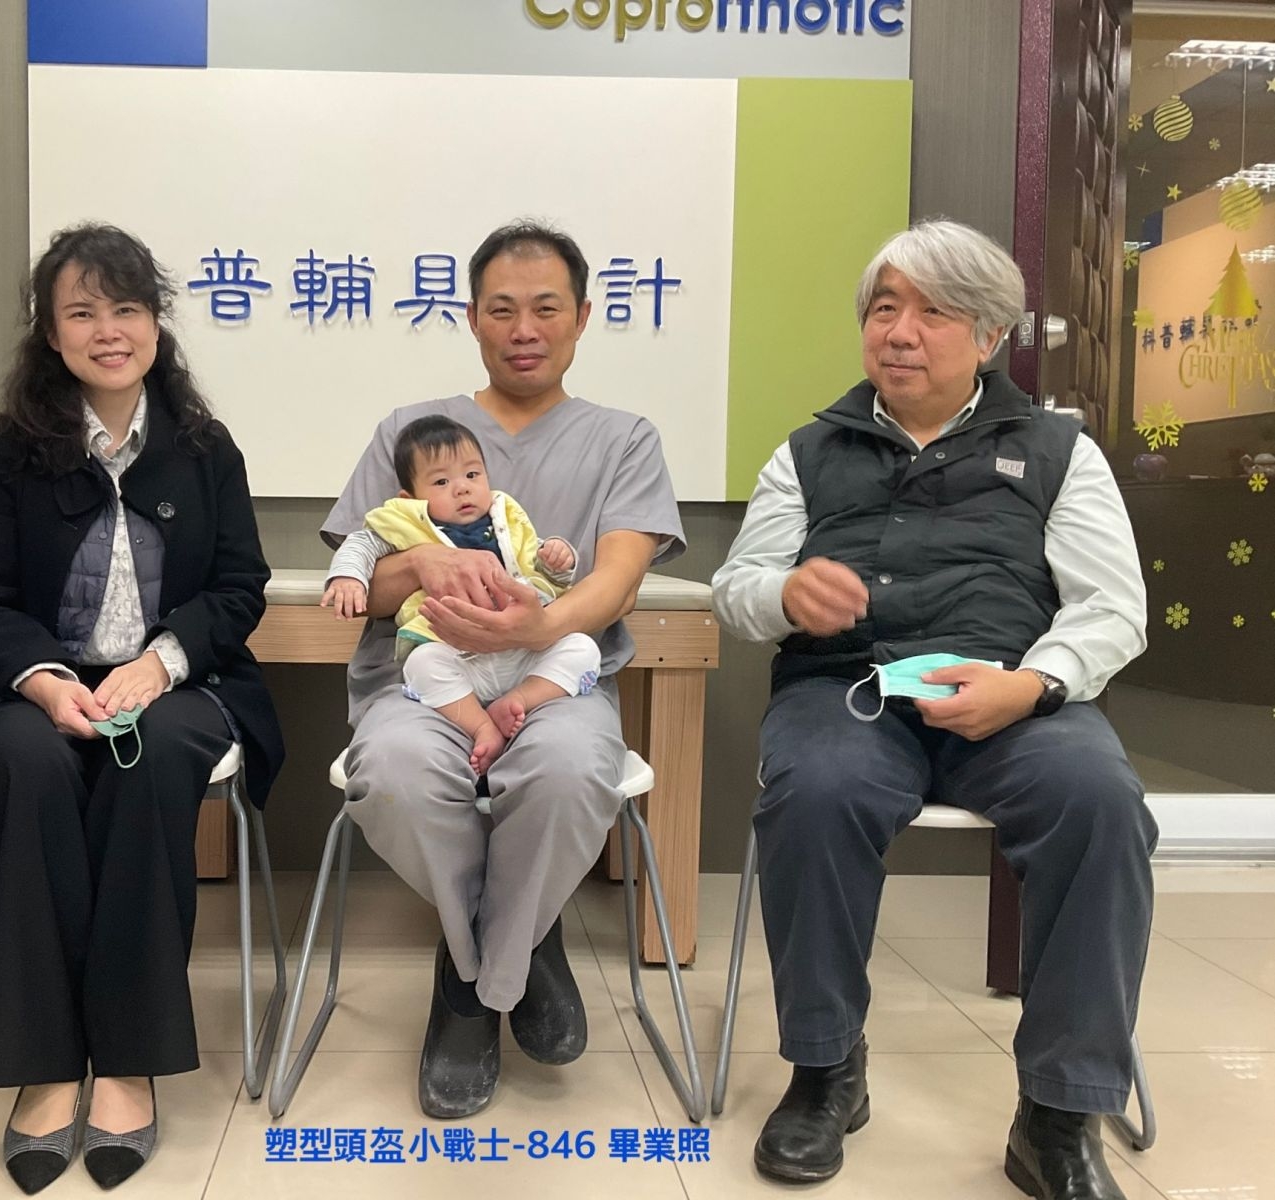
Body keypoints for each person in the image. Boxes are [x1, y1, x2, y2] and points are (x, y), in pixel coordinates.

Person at [711, 219, 1156, 1199]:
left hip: (1013, 693)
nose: (899, 332)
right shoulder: (807, 453)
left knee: (1099, 801)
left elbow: (1113, 608)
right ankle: (826, 1071)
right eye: (884, 309)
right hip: (848, 690)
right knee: (815, 792)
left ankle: (1058, 1114)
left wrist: (1032, 685)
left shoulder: (1058, 451)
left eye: (934, 313)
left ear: (990, 336)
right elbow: (736, 591)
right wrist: (784, 595)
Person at [0, 223, 285, 1194]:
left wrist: (160, 663)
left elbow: (239, 588)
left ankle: (127, 1060)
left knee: (152, 764)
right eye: (82, 312)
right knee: (23, 764)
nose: (109, 331)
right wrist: (42, 680)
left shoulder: (204, 448)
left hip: (177, 684)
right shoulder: (9, 452)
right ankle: (42, 1062)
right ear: (50, 332)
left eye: (127, 308)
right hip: (30, 683)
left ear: (156, 321)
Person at [321, 220, 684, 1119]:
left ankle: (468, 986)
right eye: (502, 309)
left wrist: (538, 622)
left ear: (582, 317)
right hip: (426, 680)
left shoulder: (623, 438)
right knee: (394, 774)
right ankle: (516, 946)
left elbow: (617, 579)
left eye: (546, 309)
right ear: (472, 318)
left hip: (551, 681)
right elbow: (366, 586)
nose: (524, 329)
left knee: (568, 772)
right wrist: (420, 566)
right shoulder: (410, 432)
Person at [322, 414, 601, 775]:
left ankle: (518, 700)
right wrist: (348, 577)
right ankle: (481, 726)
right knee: (421, 664)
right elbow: (360, 545)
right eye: (441, 481)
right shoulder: (406, 524)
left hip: (523, 652)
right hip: (457, 654)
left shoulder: (505, 518)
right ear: (410, 497)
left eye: (472, 475)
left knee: (583, 649)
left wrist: (558, 559)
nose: (462, 489)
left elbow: (538, 566)